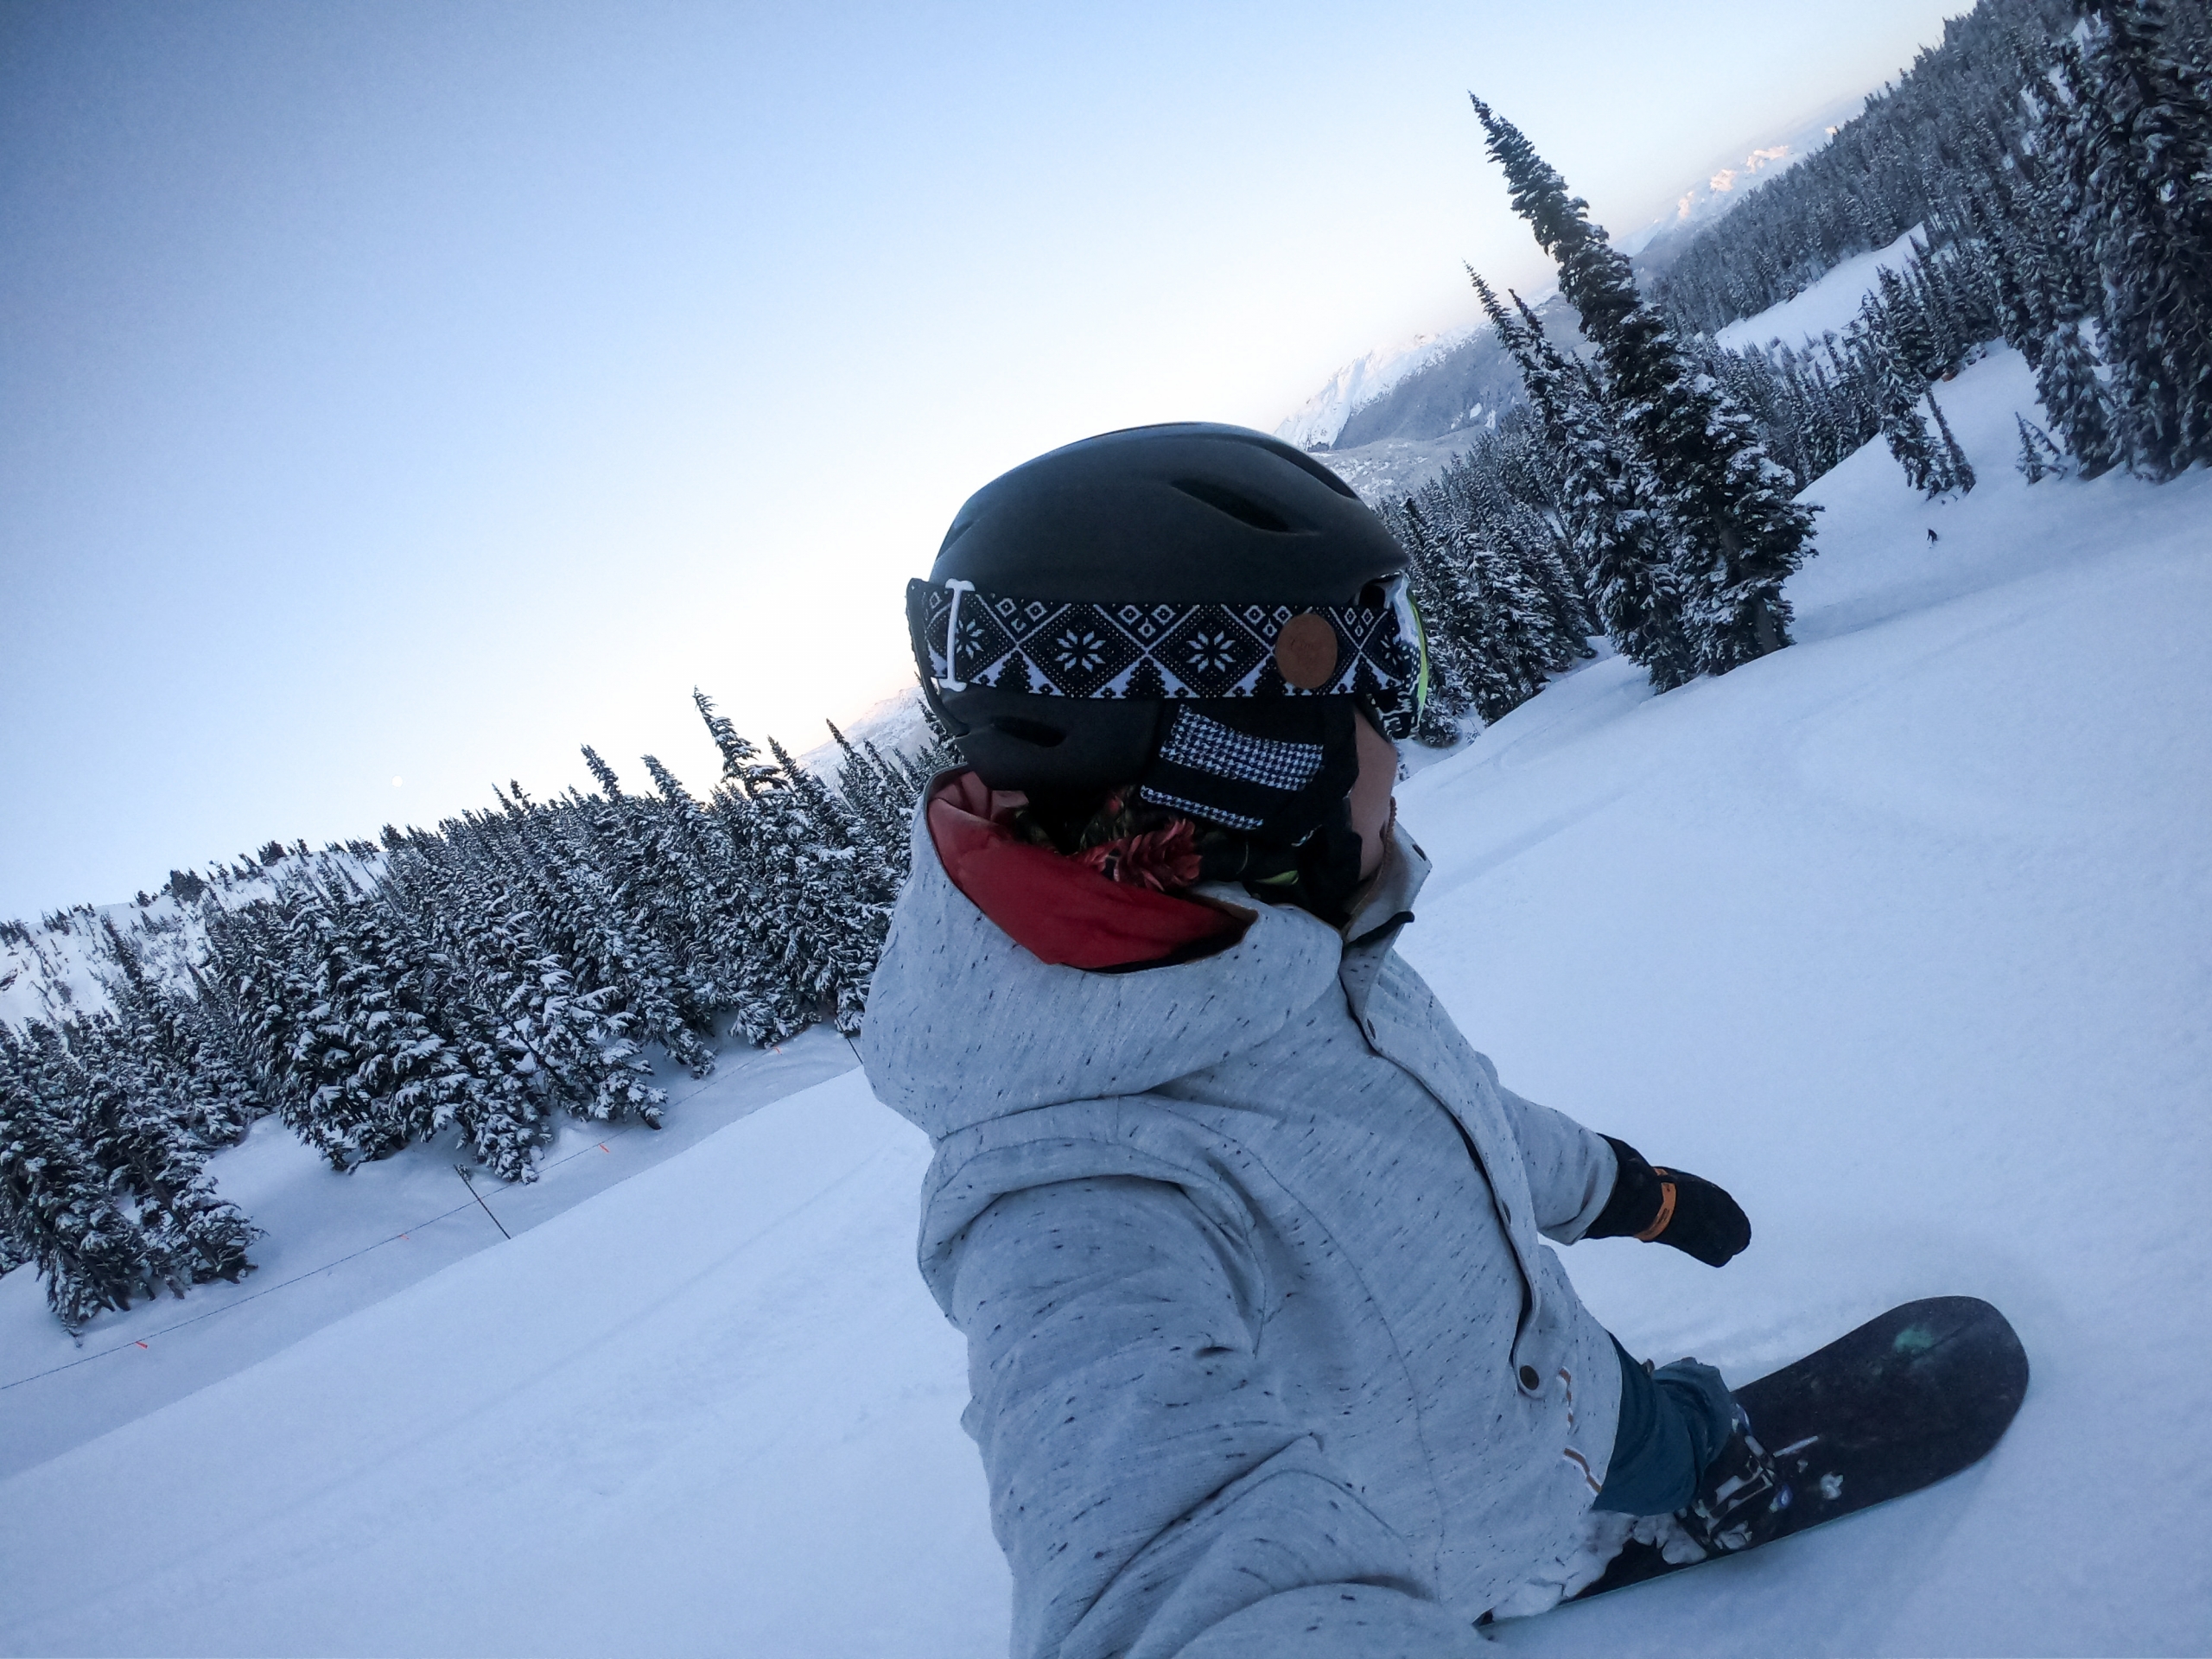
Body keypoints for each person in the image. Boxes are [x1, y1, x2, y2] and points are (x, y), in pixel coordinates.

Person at [863, 423, 1782, 1656]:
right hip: (1432, 1529)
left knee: (1664, 1431)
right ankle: (1592, 1536)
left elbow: (1456, 1122)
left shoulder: (1288, 936)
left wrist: (1632, 1193)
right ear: (1238, 749)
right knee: (1655, 1459)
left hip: (1564, 1377)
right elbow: (1151, 1527)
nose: (1399, 739)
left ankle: (1668, 1476)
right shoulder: (1067, 1177)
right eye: (1371, 683)